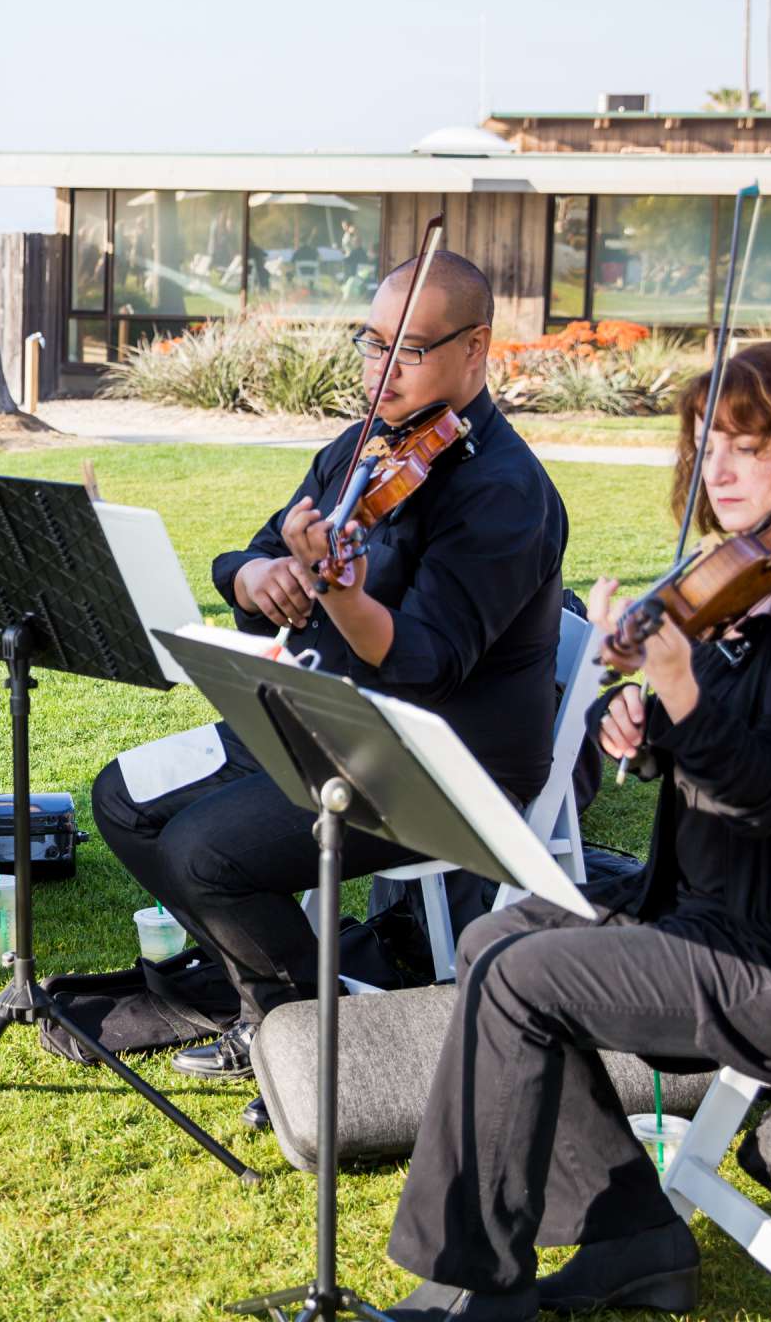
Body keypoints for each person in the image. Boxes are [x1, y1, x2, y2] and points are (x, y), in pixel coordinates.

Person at [380, 340, 771, 1321]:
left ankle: (473, 1286)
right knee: (495, 937)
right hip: (728, 921)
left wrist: (680, 684)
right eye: (705, 444)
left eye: (747, 446)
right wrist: (653, 732)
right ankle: (633, 1236)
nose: (715, 469)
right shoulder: (761, 585)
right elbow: (727, 758)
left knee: (522, 980)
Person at [90, 250, 568, 1095]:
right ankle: (270, 1002)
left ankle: (303, 1040)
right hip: (317, 716)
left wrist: (342, 592)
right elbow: (259, 548)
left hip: (439, 759)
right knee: (122, 797)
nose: (379, 372)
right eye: (370, 343)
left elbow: (421, 660)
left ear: (476, 348)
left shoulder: (504, 492)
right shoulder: (361, 450)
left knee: (207, 852)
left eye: (407, 351)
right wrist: (252, 576)